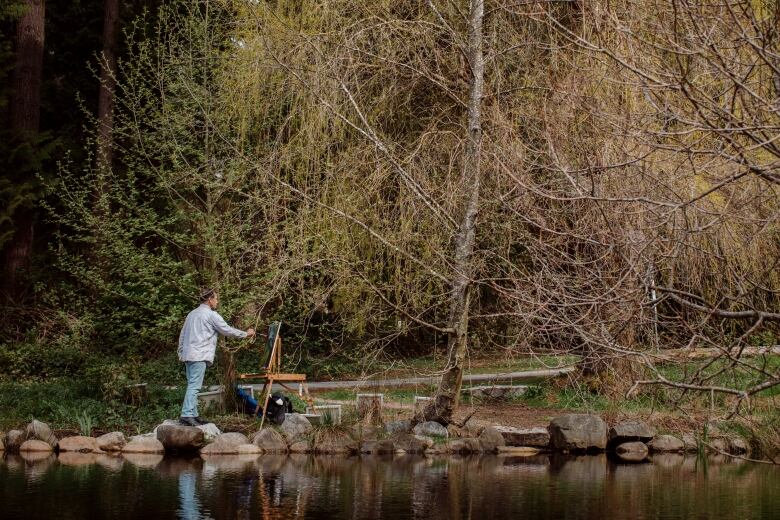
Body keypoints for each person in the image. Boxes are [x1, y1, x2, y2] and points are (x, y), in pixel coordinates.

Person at [178, 288, 255, 426]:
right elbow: (227, 330)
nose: (217, 301)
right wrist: (246, 334)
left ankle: (193, 414)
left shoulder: (191, 314)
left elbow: (182, 335)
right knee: (194, 386)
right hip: (199, 355)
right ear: (209, 300)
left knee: (192, 384)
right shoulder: (211, 315)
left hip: (188, 355)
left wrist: (180, 352)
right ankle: (187, 415)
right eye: (216, 298)